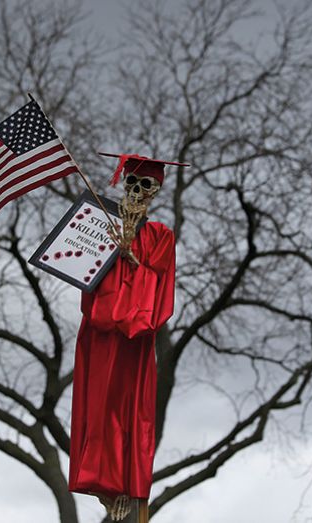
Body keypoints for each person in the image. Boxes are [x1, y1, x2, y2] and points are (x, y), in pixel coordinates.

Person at [68, 153, 186, 521]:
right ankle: (103, 487)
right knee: (98, 407)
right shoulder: (99, 223)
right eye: (131, 182)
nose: (136, 191)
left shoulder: (159, 236)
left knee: (127, 409)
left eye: (145, 185)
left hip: (132, 339)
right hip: (100, 335)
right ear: (123, 184)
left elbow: (157, 287)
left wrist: (131, 257)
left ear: (156, 191)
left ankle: (126, 488)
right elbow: (86, 281)